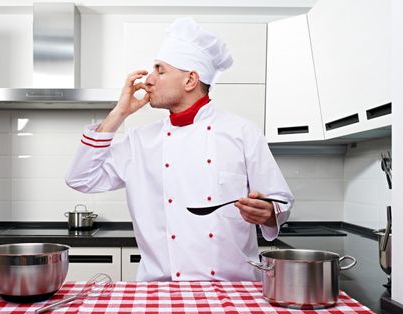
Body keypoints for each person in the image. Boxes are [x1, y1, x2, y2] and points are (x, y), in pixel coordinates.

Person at [66, 18, 294, 281]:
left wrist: (268, 213)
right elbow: (80, 178)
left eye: (159, 71)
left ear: (190, 80)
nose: (148, 81)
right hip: (161, 291)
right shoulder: (140, 142)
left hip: (232, 291)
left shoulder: (242, 133)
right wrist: (119, 114)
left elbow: (280, 201)